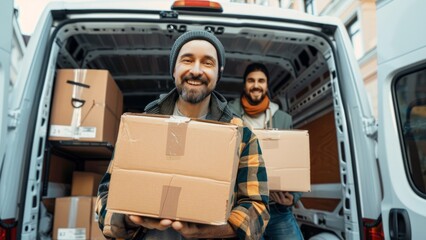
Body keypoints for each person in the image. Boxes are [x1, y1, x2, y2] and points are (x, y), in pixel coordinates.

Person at [95, 30, 270, 240]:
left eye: (207, 63)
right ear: (174, 68)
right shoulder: (142, 127)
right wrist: (129, 219)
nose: (196, 70)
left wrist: (209, 231)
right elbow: (105, 198)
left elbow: (258, 211)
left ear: (218, 72)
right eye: (187, 60)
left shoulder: (241, 134)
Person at [228, 63, 304, 240]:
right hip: (242, 208)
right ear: (245, 84)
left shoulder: (283, 119)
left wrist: (293, 197)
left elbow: (297, 160)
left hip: (276, 206)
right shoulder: (230, 116)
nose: (256, 85)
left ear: (267, 85)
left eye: (261, 81)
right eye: (251, 80)